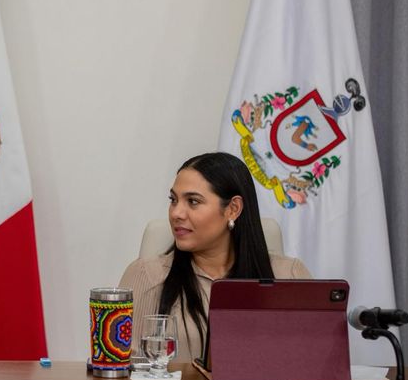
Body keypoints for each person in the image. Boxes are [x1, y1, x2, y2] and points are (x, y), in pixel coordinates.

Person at [119, 152, 311, 364]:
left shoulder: (290, 276)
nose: (176, 213)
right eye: (173, 200)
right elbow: (123, 373)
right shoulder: (145, 275)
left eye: (193, 201)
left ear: (233, 209)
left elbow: (312, 365)